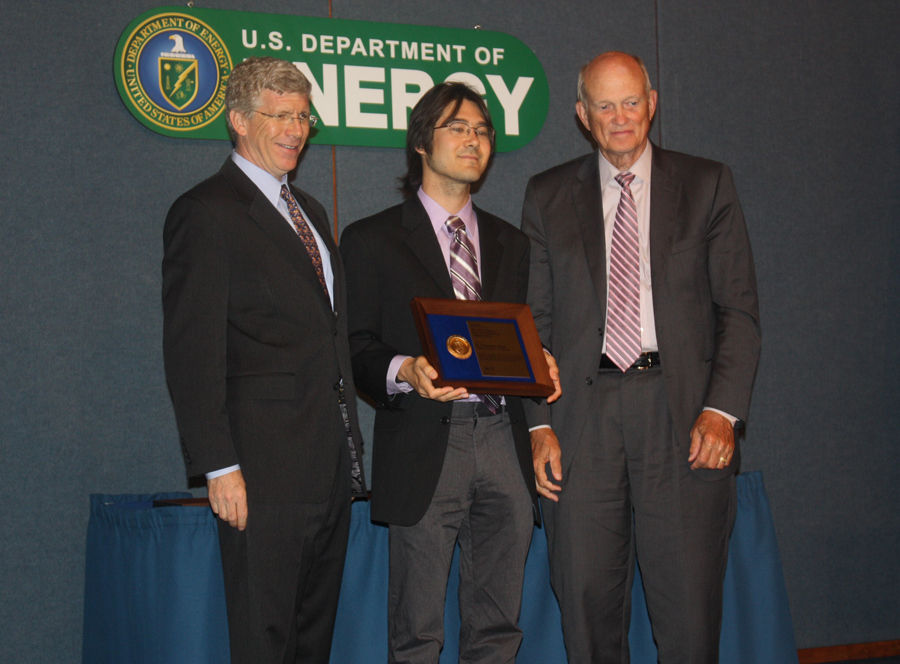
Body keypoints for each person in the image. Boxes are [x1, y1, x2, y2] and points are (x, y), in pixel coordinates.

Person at [522, 51, 761, 663]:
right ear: (582, 115)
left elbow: (738, 311)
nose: (620, 117)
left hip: (682, 421)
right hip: (581, 424)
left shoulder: (708, 184)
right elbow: (536, 323)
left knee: (688, 618)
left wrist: (723, 411)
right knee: (585, 613)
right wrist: (540, 424)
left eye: (631, 101)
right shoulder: (547, 195)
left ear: (652, 104)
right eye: (604, 105)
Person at [340, 82, 561, 664]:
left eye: (483, 130)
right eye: (458, 128)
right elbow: (354, 347)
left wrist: (542, 363)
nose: (473, 140)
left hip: (501, 442)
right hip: (422, 442)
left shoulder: (513, 243)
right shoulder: (370, 239)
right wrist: (404, 369)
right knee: (417, 633)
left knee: (498, 628)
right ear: (421, 140)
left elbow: (522, 338)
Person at [162, 56, 365, 664]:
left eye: (303, 116)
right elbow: (190, 349)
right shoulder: (206, 211)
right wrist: (218, 463)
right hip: (260, 471)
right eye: (279, 115)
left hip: (329, 466)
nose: (295, 130)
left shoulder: (311, 211)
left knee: (311, 642)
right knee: (264, 641)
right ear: (238, 122)